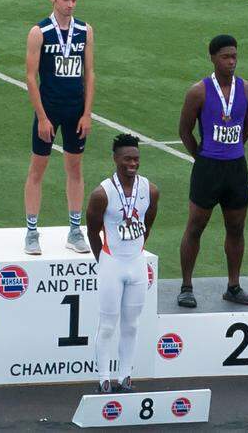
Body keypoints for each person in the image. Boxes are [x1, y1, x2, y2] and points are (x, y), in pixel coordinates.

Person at [177, 34, 248, 307]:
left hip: (236, 167)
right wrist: (200, 157)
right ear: (212, 58)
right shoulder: (198, 91)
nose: (231, 62)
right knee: (195, 227)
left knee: (236, 227)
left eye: (234, 56)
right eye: (225, 57)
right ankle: (187, 286)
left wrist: (234, 148)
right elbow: (184, 130)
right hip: (208, 167)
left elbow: (247, 125)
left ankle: (233, 286)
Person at [24, 0, 95, 255]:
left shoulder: (84, 31)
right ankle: (31, 231)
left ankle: (75, 229)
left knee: (75, 168)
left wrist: (87, 113)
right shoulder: (39, 32)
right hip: (49, 108)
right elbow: (31, 77)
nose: (70, 5)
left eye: (74, 0)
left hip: (75, 109)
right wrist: (41, 117)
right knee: (38, 168)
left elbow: (89, 74)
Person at [86, 134, 159, 394]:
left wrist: (136, 249)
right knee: (107, 325)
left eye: (136, 159)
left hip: (136, 263)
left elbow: (147, 224)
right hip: (112, 264)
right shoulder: (101, 194)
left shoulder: (149, 190)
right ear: (116, 159)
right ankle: (104, 377)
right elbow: (93, 232)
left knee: (132, 323)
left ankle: (125, 375)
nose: (133, 163)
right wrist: (105, 261)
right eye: (127, 158)